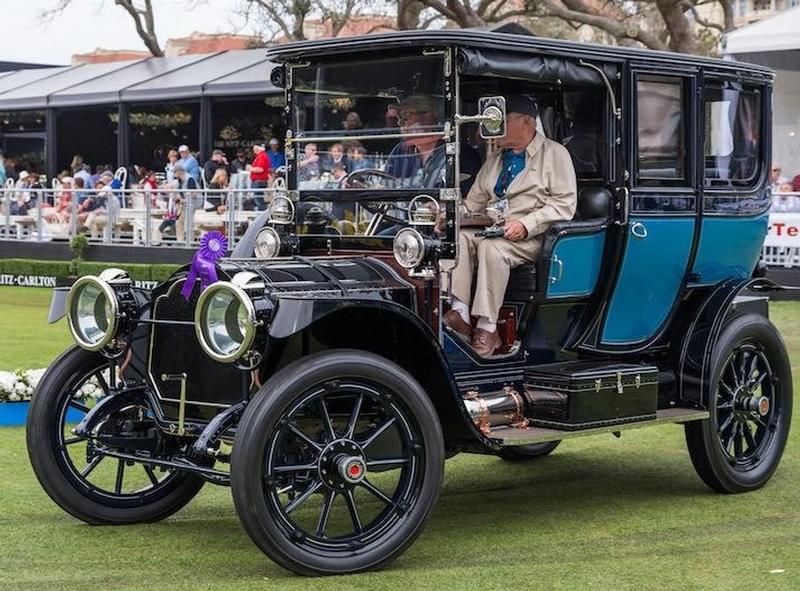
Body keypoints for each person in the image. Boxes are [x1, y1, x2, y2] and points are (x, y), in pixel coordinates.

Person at [443, 94, 577, 356]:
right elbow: (474, 203)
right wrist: (449, 216)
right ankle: (460, 317)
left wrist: (526, 225)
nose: (494, 128)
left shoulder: (555, 154)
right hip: (494, 230)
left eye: (501, 120)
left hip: (535, 238)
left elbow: (564, 205)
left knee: (492, 249)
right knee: (458, 239)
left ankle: (488, 328)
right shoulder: (496, 159)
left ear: (527, 122)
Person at [248, 142, 271, 210]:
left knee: (258, 200)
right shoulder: (261, 156)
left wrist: (250, 169)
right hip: (259, 181)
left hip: (259, 181)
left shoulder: (262, 156)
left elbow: (260, 169)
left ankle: (261, 213)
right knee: (258, 199)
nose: (254, 150)